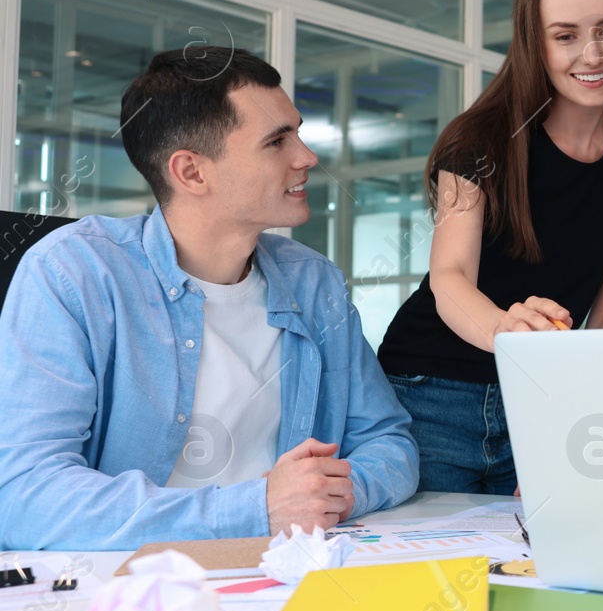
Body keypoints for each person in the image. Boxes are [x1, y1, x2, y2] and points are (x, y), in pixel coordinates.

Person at [0, 47, 419, 550]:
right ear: (192, 172)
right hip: (136, 587)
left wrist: (329, 495)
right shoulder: (74, 273)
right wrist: (253, 509)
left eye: (298, 132)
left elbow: (389, 444)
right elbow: (24, 496)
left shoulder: (314, 283)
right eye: (277, 141)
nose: (306, 157)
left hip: (285, 569)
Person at [379, 0, 603, 495]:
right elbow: (449, 276)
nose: (592, 53)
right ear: (535, 45)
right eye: (565, 36)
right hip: (428, 393)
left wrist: (568, 421)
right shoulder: (480, 140)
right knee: (432, 572)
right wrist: (510, 336)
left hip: (538, 402)